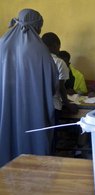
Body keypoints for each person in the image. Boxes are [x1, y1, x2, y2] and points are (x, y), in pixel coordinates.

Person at [0, 9, 58, 167]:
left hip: (6, 108)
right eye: (40, 26)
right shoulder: (40, 51)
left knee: (7, 137)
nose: (40, 31)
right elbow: (53, 83)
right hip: (33, 112)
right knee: (33, 145)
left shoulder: (2, 45)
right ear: (35, 26)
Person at [41, 32, 78, 121]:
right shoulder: (60, 62)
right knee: (52, 133)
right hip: (54, 106)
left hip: (38, 106)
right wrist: (68, 105)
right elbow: (61, 87)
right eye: (59, 46)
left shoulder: (36, 60)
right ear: (55, 45)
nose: (59, 49)